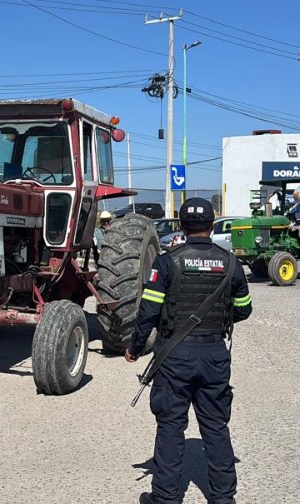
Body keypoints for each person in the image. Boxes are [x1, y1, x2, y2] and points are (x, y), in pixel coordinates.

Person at [125, 198, 252, 504]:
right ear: (212, 224)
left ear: (180, 225)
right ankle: (224, 499)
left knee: (170, 426)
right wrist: (218, 321)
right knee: (216, 426)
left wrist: (135, 347)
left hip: (174, 356)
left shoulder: (168, 262)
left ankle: (166, 498)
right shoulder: (231, 263)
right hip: (213, 354)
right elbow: (245, 310)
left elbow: (148, 313)